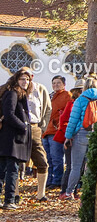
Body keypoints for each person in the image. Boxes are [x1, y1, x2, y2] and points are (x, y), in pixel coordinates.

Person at [61, 76, 97, 199]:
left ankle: (69, 192)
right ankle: (91, 192)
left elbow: (73, 120)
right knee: (92, 165)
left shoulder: (80, 100)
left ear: (85, 87)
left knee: (76, 166)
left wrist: (68, 137)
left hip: (81, 134)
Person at [0, 69, 33, 209]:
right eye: (22, 79)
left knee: (4, 170)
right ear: (16, 80)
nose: (25, 82)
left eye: (27, 79)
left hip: (12, 138)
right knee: (11, 170)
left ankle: (8, 199)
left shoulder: (19, 94)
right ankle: (9, 200)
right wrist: (24, 126)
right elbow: (9, 114)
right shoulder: (13, 93)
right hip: (11, 138)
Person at [26, 73, 51, 201]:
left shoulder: (40, 89)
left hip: (35, 127)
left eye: (28, 77)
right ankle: (15, 194)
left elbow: (48, 108)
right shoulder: (14, 90)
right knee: (16, 162)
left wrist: (42, 128)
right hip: (18, 128)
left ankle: (41, 194)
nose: (26, 80)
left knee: (42, 161)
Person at [43, 75, 71, 191]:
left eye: (58, 83)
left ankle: (57, 180)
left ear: (64, 84)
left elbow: (67, 113)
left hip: (56, 131)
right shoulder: (50, 96)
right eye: (54, 83)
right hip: (46, 131)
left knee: (56, 158)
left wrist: (60, 126)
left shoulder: (66, 95)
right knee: (47, 158)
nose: (56, 85)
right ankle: (48, 180)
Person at [53, 84, 83, 193]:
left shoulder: (86, 105)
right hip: (71, 139)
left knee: (79, 166)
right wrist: (69, 136)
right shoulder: (71, 104)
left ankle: (75, 190)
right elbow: (64, 121)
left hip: (78, 138)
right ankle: (65, 190)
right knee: (71, 166)